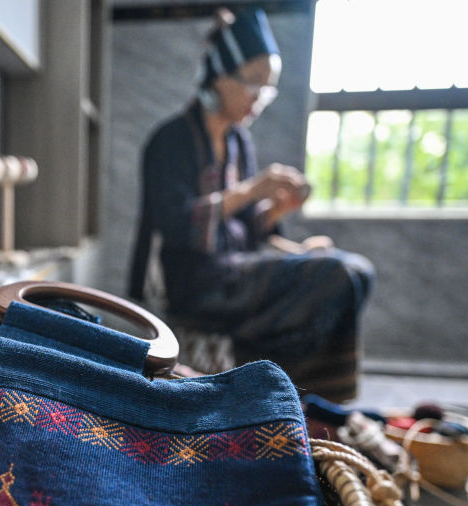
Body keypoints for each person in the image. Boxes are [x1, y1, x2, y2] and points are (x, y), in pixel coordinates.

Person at [127, 8, 374, 402]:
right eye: (253, 82)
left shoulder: (240, 143)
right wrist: (254, 189)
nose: (260, 98)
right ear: (220, 74)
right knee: (338, 275)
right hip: (195, 283)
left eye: (268, 88)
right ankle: (292, 396)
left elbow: (247, 232)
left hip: (235, 272)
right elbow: (177, 226)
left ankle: (317, 400)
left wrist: (286, 231)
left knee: (357, 273)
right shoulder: (171, 140)